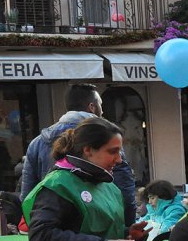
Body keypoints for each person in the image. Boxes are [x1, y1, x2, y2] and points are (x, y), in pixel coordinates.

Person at [22, 118, 149, 241]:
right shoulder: (57, 185)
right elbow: (41, 236)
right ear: (88, 150)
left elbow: (101, 231)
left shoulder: (108, 186)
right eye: (112, 152)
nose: (119, 159)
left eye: (120, 152)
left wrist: (128, 235)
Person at [21, 83, 136, 225]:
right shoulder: (105, 137)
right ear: (92, 107)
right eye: (100, 104)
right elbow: (124, 186)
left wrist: (36, 224)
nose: (117, 159)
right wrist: (127, 228)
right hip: (98, 230)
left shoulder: (36, 143)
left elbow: (27, 196)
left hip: (50, 226)